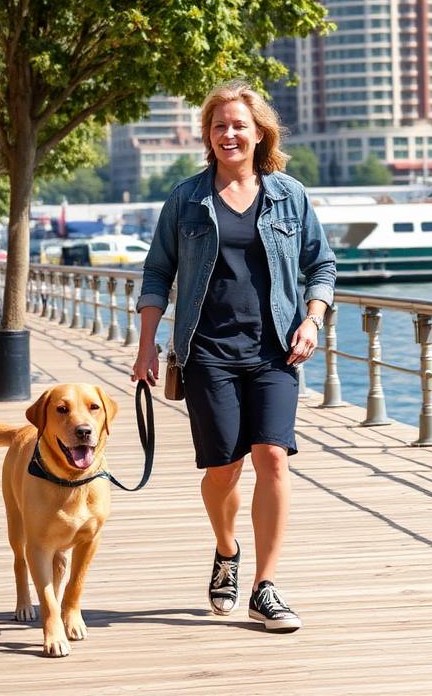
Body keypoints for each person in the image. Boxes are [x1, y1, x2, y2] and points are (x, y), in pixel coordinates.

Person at [131, 81, 336, 633]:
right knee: (224, 469)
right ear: (208, 135)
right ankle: (227, 549)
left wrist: (312, 320)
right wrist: (148, 343)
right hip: (208, 351)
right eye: (219, 125)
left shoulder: (289, 195)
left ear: (259, 131)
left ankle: (265, 587)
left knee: (272, 456)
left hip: (276, 349)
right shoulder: (187, 198)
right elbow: (157, 272)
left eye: (238, 124)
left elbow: (322, 266)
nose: (228, 134)